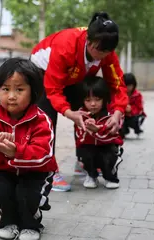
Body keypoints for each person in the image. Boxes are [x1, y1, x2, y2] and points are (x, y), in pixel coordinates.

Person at [30, 11, 128, 191]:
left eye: (108, 52)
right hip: (42, 72)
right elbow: (53, 89)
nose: (103, 57)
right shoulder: (65, 46)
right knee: (47, 121)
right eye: (100, 51)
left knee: (91, 105)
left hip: (73, 75)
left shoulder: (106, 53)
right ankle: (48, 172)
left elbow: (117, 84)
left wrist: (118, 112)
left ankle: (83, 160)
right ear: (88, 42)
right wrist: (69, 112)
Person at [0, 58, 57, 240]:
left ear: (33, 92)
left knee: (26, 194)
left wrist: (16, 152)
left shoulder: (42, 119)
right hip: (6, 171)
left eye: (19, 89)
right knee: (1, 190)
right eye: (6, 89)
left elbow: (44, 154)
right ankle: (9, 221)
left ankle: (31, 224)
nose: (11, 96)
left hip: (36, 172)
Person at [75, 76, 124, 189]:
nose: (93, 104)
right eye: (88, 100)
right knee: (85, 154)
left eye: (97, 99)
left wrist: (98, 130)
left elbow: (114, 136)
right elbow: (79, 137)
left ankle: (110, 177)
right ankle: (91, 175)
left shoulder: (113, 114)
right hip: (90, 146)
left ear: (105, 98)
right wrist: (86, 129)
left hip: (108, 146)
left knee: (108, 157)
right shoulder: (81, 114)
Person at [120, 73, 146, 138]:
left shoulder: (137, 95)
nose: (128, 88)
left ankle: (137, 128)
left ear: (134, 85)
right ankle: (124, 130)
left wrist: (131, 109)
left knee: (135, 119)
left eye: (130, 85)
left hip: (134, 116)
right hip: (123, 115)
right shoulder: (120, 94)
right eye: (126, 86)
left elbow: (139, 108)